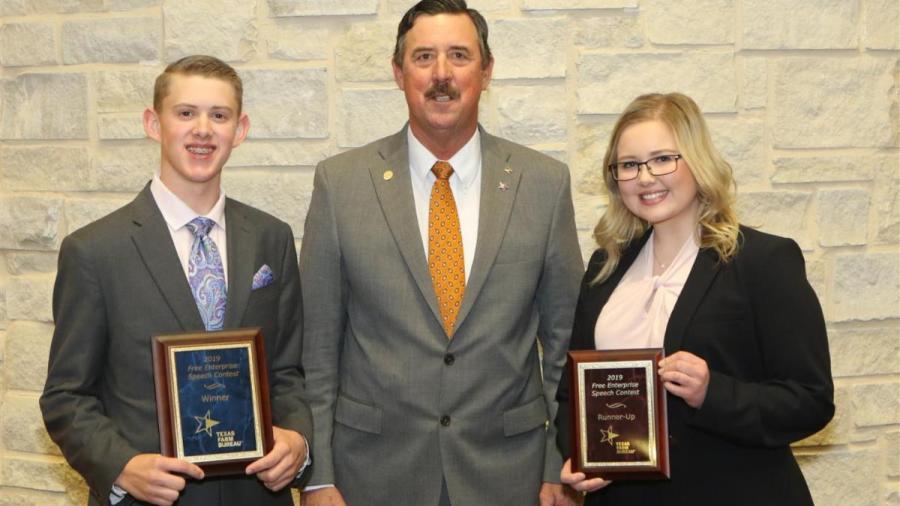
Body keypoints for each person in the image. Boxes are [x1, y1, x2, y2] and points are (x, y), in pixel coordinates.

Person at [298, 1, 584, 505]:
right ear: (398, 72)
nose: (442, 75)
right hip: (372, 473)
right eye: (424, 57)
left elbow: (564, 340)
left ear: (487, 71)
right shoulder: (340, 183)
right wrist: (320, 475)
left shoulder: (543, 183)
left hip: (510, 474)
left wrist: (559, 460)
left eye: (459, 55)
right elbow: (318, 347)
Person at [40, 55, 311, 506]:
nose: (202, 129)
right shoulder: (94, 250)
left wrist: (298, 439)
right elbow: (66, 397)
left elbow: (287, 372)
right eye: (185, 113)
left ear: (239, 131)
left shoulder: (272, 238)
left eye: (218, 116)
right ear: (154, 123)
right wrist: (122, 467)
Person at [555, 92, 834, 505]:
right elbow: (569, 397)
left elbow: (811, 400)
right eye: (629, 165)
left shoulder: (762, 261)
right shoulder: (604, 268)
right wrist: (578, 456)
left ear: (697, 162)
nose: (645, 177)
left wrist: (712, 393)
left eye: (663, 159)